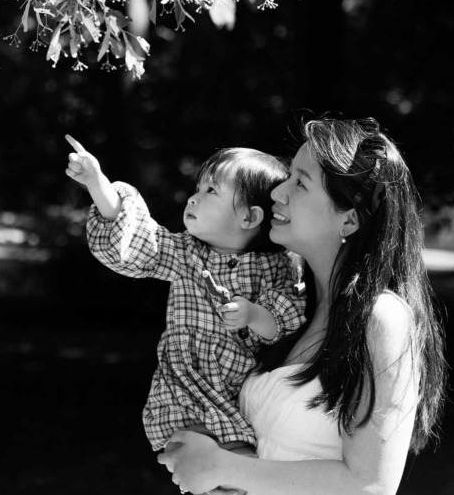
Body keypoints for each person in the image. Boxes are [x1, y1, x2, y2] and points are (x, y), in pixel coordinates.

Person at [158, 117, 448, 495]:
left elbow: (371, 484)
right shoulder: (292, 309)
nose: (278, 191)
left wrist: (220, 466)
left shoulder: (381, 318)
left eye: (300, 182)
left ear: (348, 219)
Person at [65, 134, 306, 457]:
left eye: (211, 191)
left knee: (240, 468)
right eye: (198, 189)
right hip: (185, 389)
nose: (193, 198)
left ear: (249, 217)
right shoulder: (185, 254)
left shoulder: (278, 266)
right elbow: (137, 237)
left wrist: (253, 315)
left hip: (242, 391)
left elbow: (289, 321)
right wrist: (98, 183)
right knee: (205, 460)